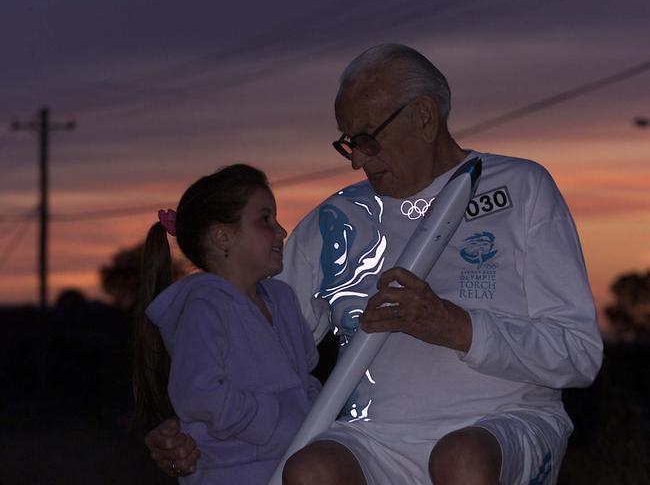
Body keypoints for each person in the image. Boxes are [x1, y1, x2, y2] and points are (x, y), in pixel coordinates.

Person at [144, 44, 603, 484]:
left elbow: (579, 355)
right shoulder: (334, 221)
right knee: (311, 470)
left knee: (460, 459)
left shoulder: (521, 187)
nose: (357, 161)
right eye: (348, 144)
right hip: (375, 440)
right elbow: (251, 349)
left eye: (366, 139)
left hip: (507, 423)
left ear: (424, 117)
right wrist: (187, 434)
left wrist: (455, 326)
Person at [133, 164, 321, 484]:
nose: (281, 230)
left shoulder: (283, 300)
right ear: (223, 237)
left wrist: (320, 421)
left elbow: (307, 377)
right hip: (231, 473)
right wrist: (277, 424)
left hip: (293, 463)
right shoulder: (204, 307)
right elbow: (198, 393)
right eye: (264, 219)